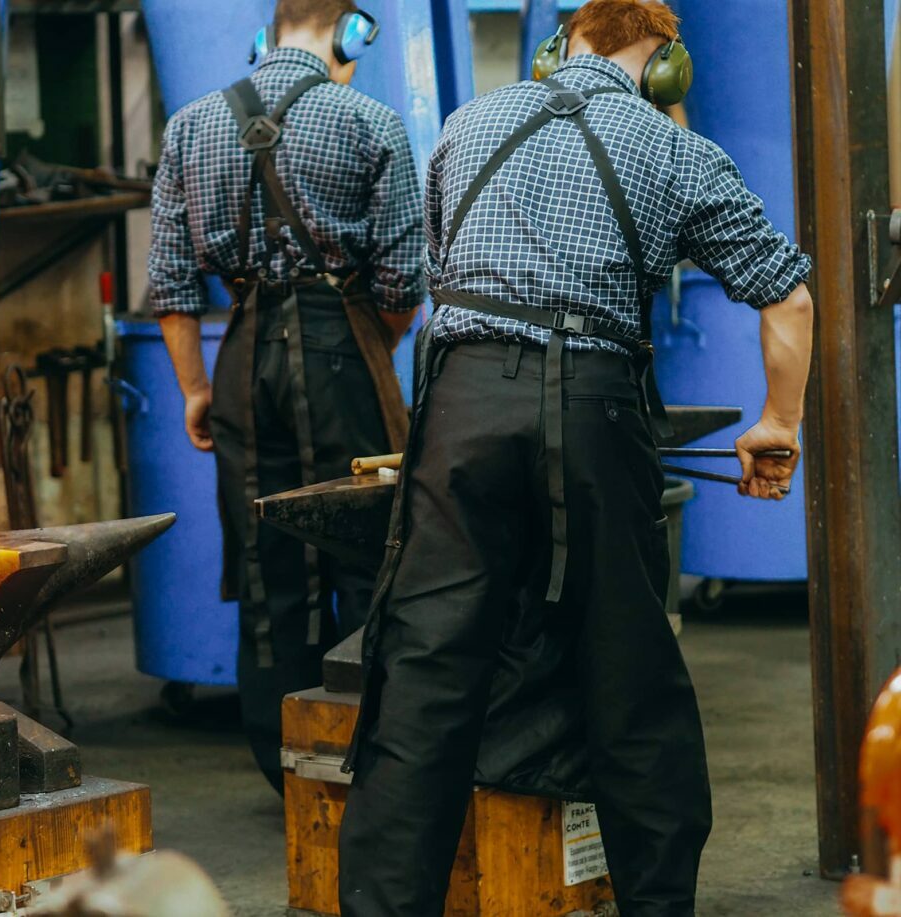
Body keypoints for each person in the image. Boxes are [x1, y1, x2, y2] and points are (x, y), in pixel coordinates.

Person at [338, 1, 814, 914]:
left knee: (424, 678)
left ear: (562, 46)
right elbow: (786, 296)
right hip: (594, 410)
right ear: (668, 62)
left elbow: (446, 268)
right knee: (631, 674)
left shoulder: (467, 124)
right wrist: (776, 425)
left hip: (463, 404)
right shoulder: (675, 149)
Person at [149, 0, 424, 792]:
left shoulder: (191, 125)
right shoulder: (371, 122)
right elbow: (405, 281)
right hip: (344, 347)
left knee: (268, 566)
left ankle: (292, 774)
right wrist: (369, 349)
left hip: (237, 360)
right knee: (371, 553)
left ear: (268, 33)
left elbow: (170, 282)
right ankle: (378, 767)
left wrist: (198, 389)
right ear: (347, 32)